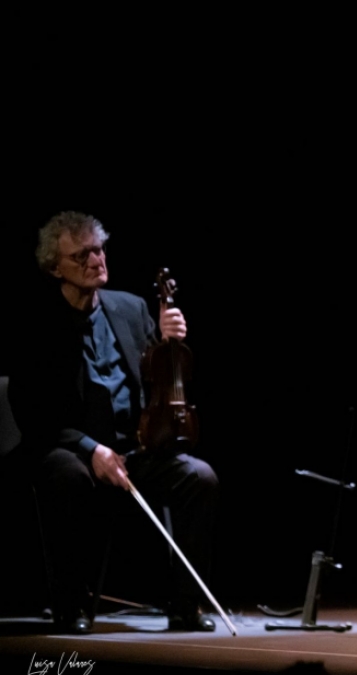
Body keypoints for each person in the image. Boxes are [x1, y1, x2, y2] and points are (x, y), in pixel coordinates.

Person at [7, 211, 219, 634]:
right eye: (80, 255)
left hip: (133, 449)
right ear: (55, 268)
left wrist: (167, 344)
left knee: (200, 477)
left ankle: (185, 605)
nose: (95, 261)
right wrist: (91, 449)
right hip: (70, 449)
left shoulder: (131, 307)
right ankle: (70, 604)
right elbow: (34, 412)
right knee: (66, 477)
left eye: (99, 250)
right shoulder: (37, 325)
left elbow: (156, 379)